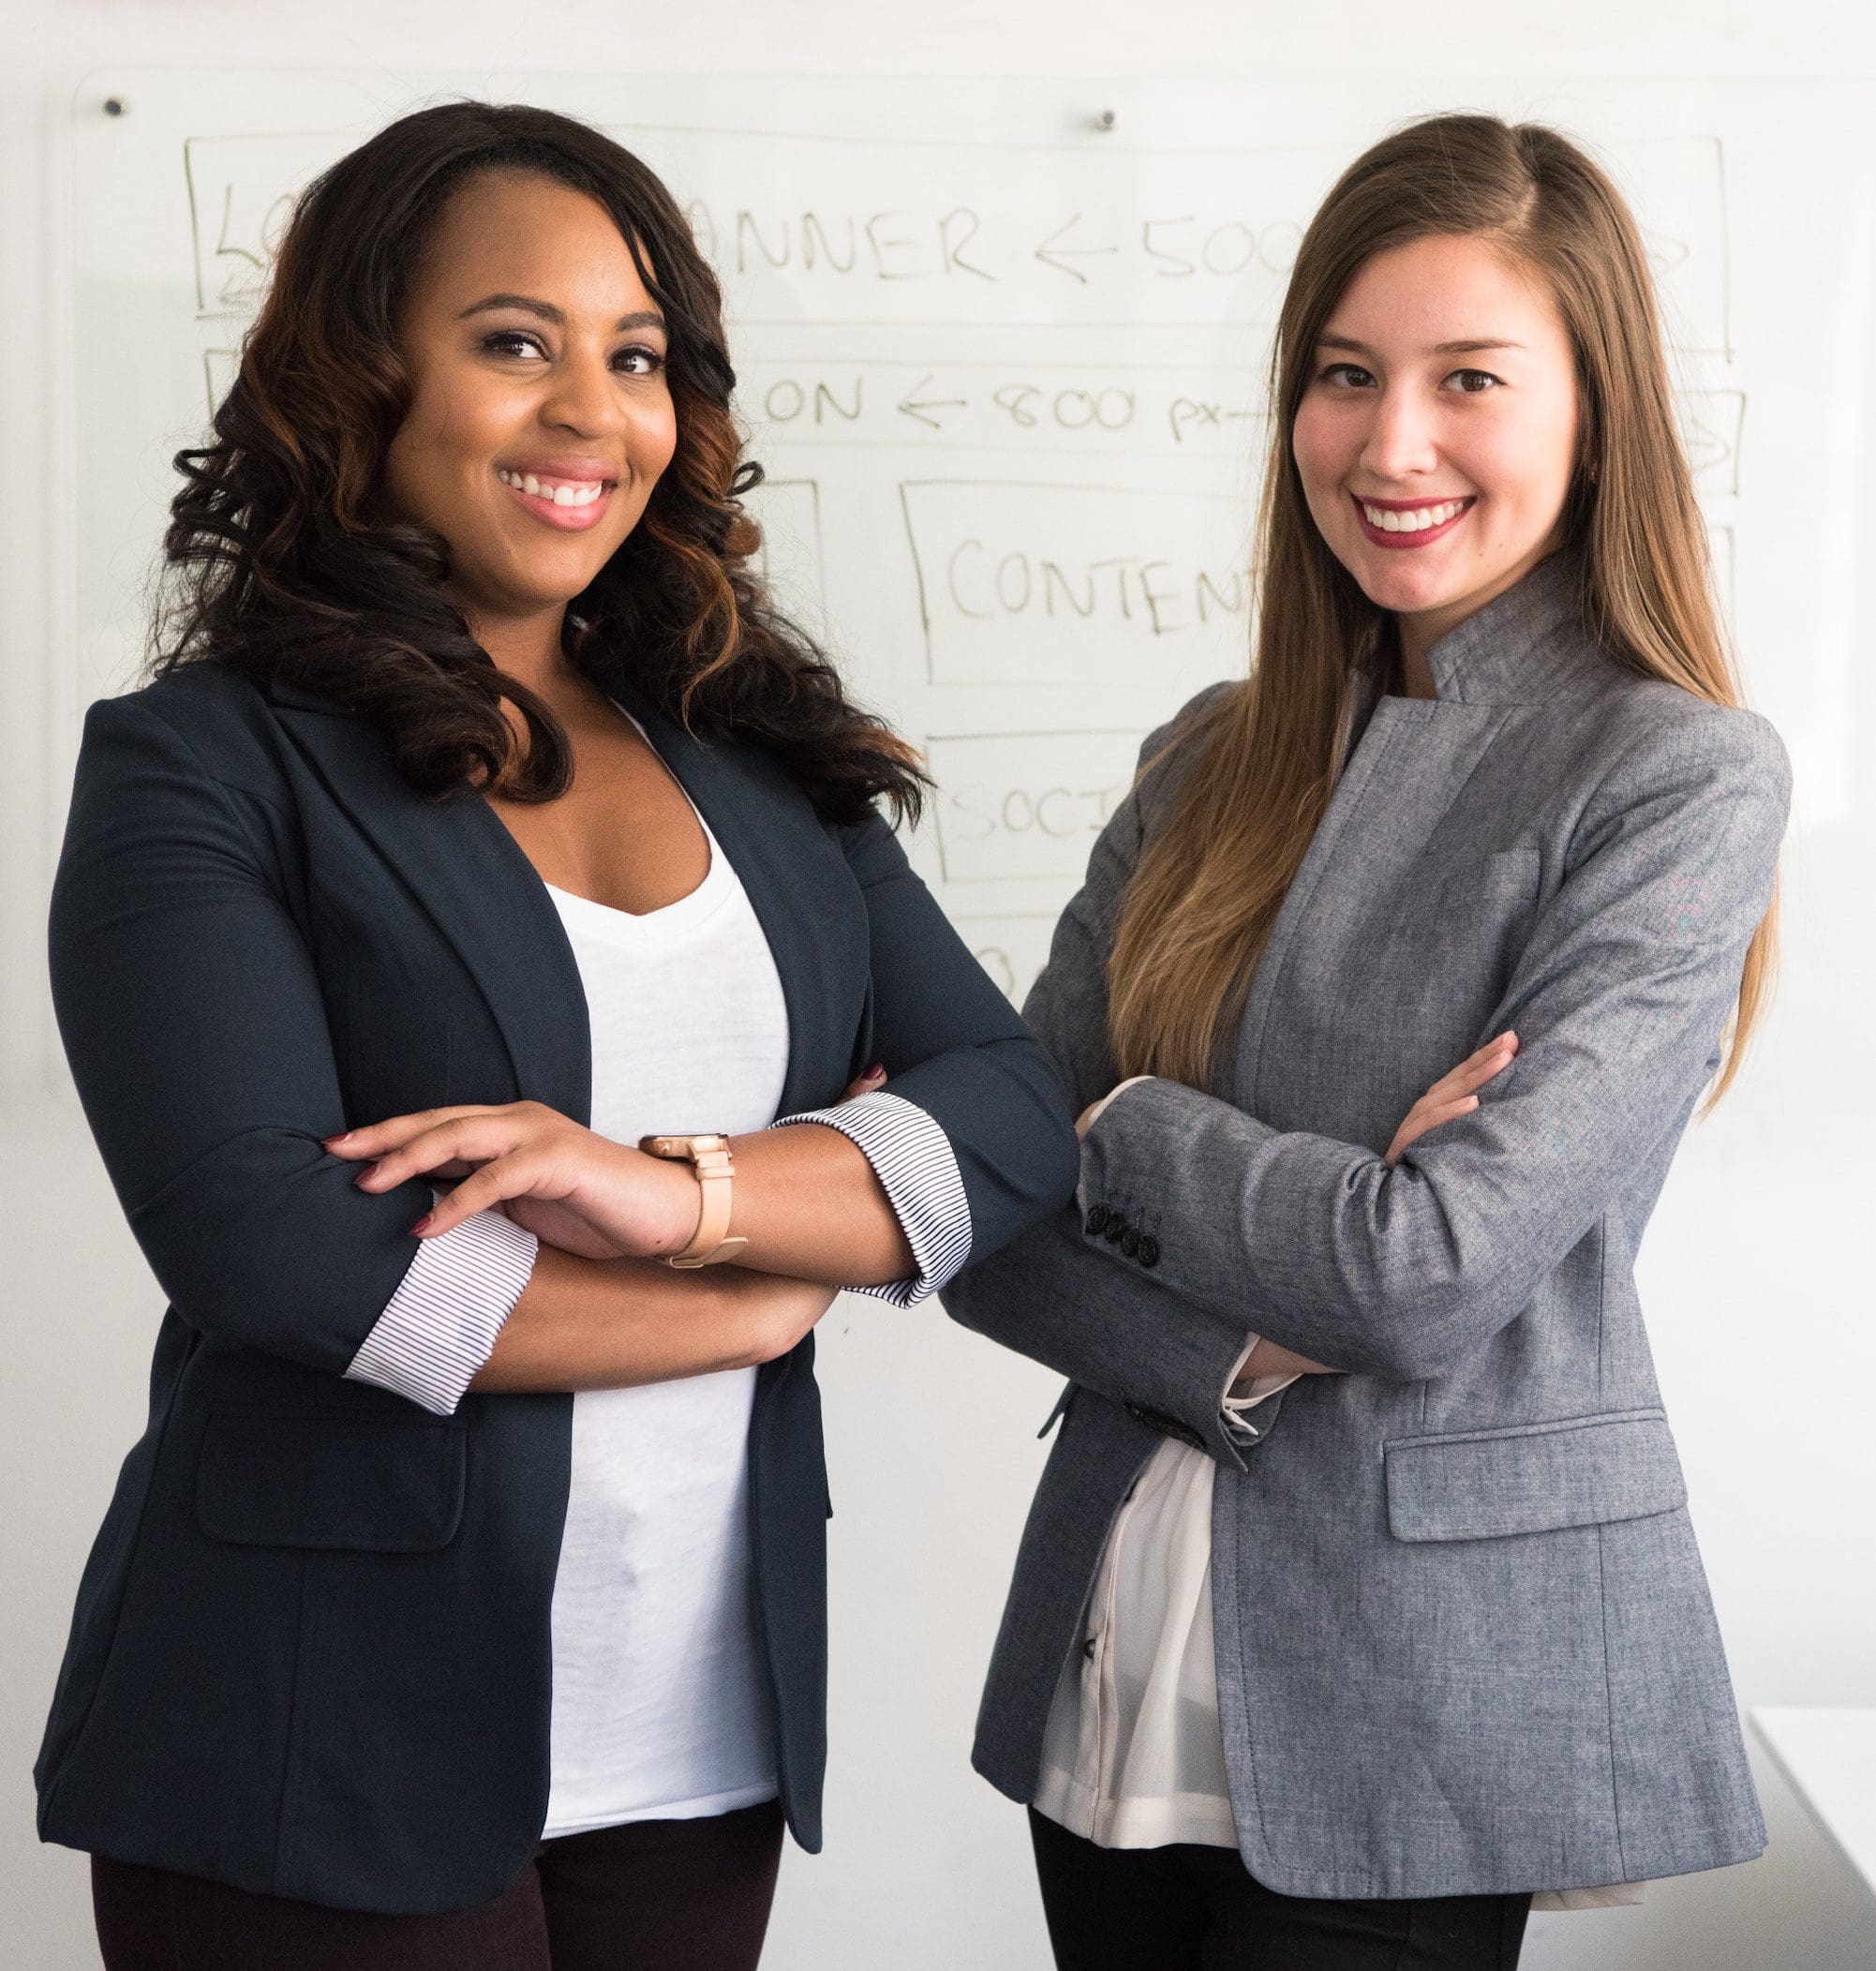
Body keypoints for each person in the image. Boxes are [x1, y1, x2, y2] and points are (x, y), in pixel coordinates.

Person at [39, 100, 1078, 1970]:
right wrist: (757, 1289)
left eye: (637, 354)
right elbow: (279, 1246)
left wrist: (671, 1195)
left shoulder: (765, 760)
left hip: (693, 1735)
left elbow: (1007, 1118)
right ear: (360, 378)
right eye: (515, 340)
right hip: (316, 1736)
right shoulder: (202, 764)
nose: (592, 409)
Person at [944, 112, 1787, 1971]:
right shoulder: (1203, 751)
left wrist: (1122, 1119)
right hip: (1114, 1645)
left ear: (1592, 410)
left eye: (1463, 378)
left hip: (1421, 1688)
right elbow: (989, 1213)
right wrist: (1239, 1317)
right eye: (1343, 375)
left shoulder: (1669, 775)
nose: (1386, 442)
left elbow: (1420, 1273)